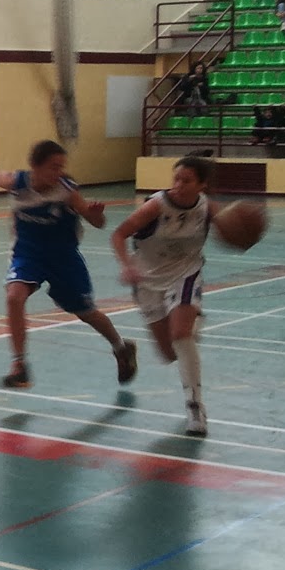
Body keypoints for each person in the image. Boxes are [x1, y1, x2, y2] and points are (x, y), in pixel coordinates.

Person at [0, 140, 137, 389]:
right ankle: (19, 366)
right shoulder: (17, 182)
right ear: (35, 166)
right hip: (28, 253)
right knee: (14, 297)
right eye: (54, 167)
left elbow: (98, 223)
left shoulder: (67, 191)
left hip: (63, 258)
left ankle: (121, 347)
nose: (59, 172)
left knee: (86, 312)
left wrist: (95, 215)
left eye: (62, 167)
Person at [111, 155, 218, 437]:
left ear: (202, 185)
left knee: (181, 336)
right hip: (148, 280)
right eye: (176, 179)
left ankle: (195, 406)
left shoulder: (207, 208)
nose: (179, 185)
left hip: (185, 273)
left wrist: (240, 228)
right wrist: (127, 265)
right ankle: (193, 320)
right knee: (169, 354)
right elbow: (119, 234)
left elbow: (234, 230)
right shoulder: (156, 206)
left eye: (187, 181)